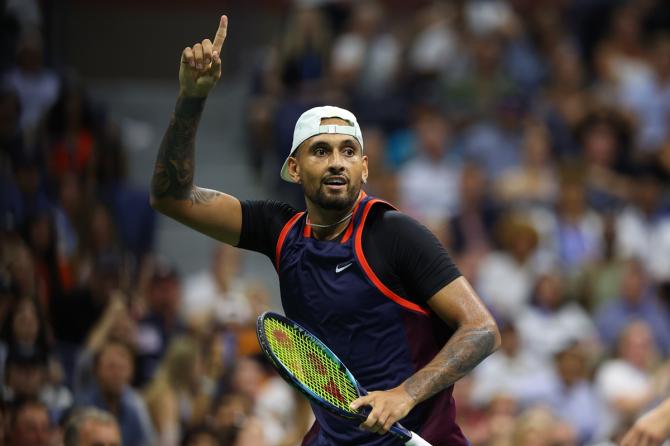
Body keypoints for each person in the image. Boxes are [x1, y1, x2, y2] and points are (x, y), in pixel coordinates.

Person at [150, 15, 500, 445]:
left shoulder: (395, 234)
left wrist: (404, 395)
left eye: (348, 151)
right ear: (294, 169)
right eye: (321, 150)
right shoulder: (278, 231)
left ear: (364, 168)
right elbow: (171, 197)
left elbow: (482, 329)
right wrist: (191, 98)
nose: (337, 161)